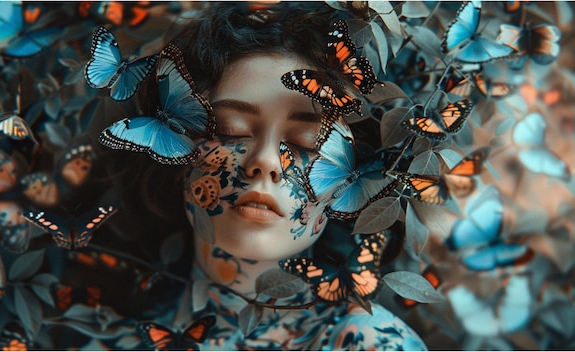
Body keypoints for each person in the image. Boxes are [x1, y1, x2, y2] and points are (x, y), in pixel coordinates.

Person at [106, 3, 427, 350]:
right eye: (231, 131)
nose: (266, 161)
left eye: (307, 142)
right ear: (176, 151)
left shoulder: (367, 342)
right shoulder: (118, 343)